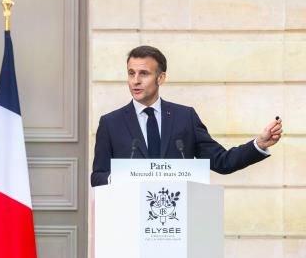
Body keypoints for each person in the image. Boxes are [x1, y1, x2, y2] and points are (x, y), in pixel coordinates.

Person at [91, 45, 282, 187]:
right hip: (128, 222)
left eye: (144, 74)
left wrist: (259, 144)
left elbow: (221, 162)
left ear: (161, 78)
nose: (135, 81)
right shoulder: (110, 123)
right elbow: (97, 176)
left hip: (177, 224)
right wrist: (119, 178)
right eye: (131, 73)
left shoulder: (185, 117)